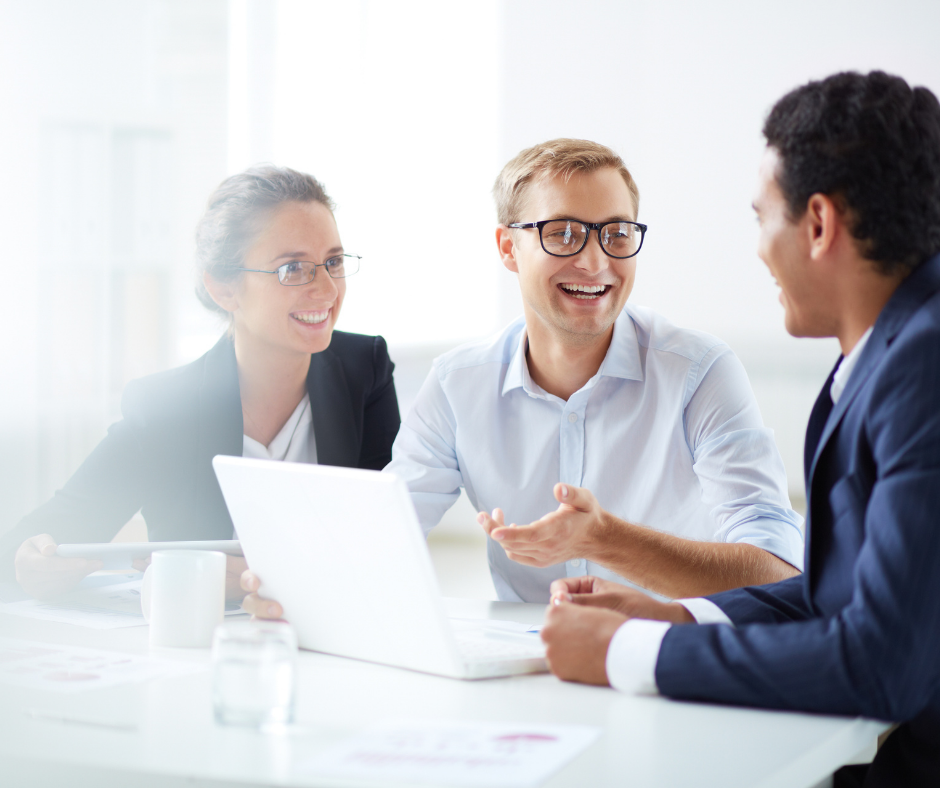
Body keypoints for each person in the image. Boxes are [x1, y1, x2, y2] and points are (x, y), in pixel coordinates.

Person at [540, 71, 940, 787]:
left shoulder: (923, 366)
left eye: (762, 218)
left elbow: (882, 664)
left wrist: (627, 653)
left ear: (818, 224)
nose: (757, 249)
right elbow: (848, 594)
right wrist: (679, 618)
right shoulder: (893, 348)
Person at [3, 165, 400, 601]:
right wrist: (30, 561)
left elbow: (389, 541)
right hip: (198, 635)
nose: (327, 290)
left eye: (333, 262)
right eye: (292, 268)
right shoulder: (165, 408)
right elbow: (39, 538)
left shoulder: (364, 370)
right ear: (224, 290)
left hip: (327, 632)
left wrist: (271, 577)